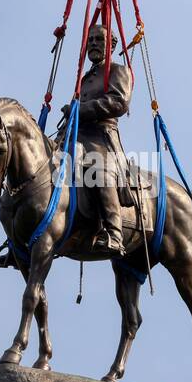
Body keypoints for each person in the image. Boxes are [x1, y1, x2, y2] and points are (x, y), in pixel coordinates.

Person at [66, 24, 133, 255]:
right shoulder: (85, 78)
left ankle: (114, 233)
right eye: (90, 40)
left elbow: (119, 102)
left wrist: (81, 110)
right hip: (76, 135)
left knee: (98, 170)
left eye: (99, 40)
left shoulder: (118, 71)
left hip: (101, 137)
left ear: (111, 45)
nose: (93, 43)